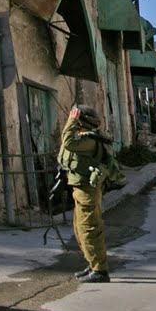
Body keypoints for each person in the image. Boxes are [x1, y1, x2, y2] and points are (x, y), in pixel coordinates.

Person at [58, 104, 115, 283]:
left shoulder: (90, 141)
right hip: (80, 190)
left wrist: (70, 121)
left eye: (77, 119)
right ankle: (92, 264)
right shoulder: (86, 139)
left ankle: (100, 270)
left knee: (90, 230)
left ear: (82, 122)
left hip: (87, 191)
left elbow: (68, 142)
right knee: (80, 230)